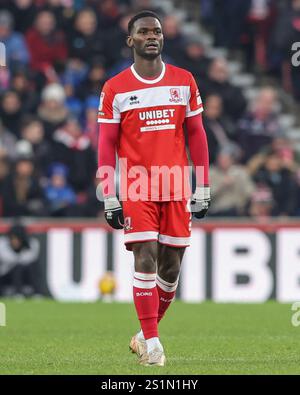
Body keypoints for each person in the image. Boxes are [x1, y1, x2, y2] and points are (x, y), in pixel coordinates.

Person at [97, 11, 210, 366]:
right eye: (143, 31)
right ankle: (155, 346)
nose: (151, 36)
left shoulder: (183, 81)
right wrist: (109, 192)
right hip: (137, 184)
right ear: (130, 40)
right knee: (144, 255)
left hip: (175, 182)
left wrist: (203, 184)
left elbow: (197, 134)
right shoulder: (115, 88)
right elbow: (105, 144)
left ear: (163, 38)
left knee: (171, 267)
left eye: (157, 31)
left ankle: (143, 334)